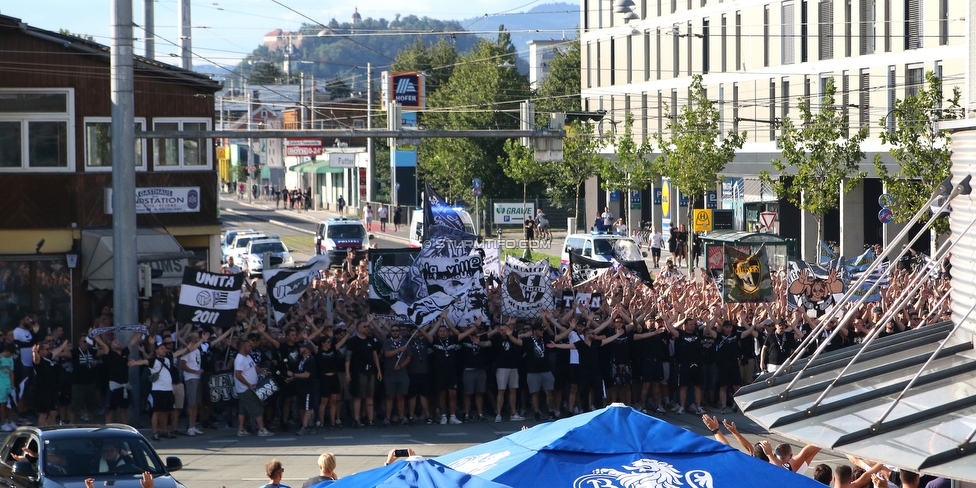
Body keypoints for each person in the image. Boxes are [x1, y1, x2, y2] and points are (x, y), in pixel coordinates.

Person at [232, 338, 274, 437]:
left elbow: (254, 367)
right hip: (246, 389)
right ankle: (261, 429)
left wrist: (263, 372)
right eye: (248, 346)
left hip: (249, 388)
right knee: (257, 408)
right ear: (243, 347)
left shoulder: (247, 357)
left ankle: (241, 429)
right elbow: (238, 374)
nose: (250, 348)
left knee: (242, 410)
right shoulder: (240, 359)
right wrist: (248, 384)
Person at [0, 344, 15, 431]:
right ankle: (3, 422)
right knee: (2, 404)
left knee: (11, 403)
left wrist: (12, 384)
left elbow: (11, 372)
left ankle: (10, 421)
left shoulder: (10, 359)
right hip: (1, 384)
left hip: (8, 384)